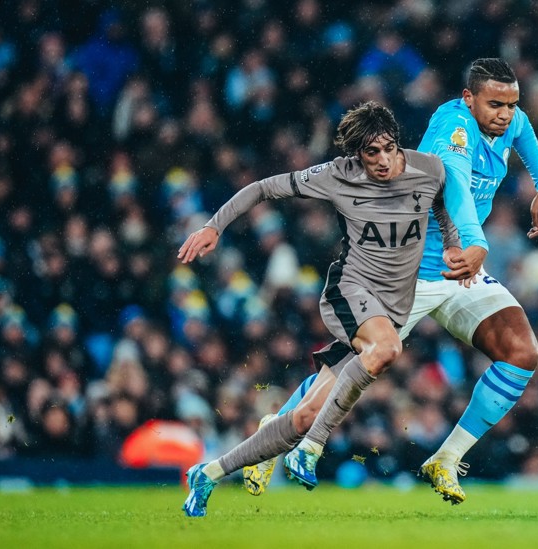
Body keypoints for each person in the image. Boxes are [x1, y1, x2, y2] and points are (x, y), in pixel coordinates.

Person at [260, 58, 538, 505]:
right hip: (408, 269)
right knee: (348, 372)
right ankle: (274, 435)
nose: (506, 114)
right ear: (468, 99)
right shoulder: (454, 127)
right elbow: (453, 179)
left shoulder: (507, 119)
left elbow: (526, 132)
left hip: (457, 273)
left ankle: (447, 459)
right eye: (496, 104)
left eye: (512, 104)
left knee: (521, 352)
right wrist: (476, 240)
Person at [180, 101, 487, 517]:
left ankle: (210, 473)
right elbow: (262, 188)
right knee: (387, 349)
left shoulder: (429, 169)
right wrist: (213, 225)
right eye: (370, 153)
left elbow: (440, 207)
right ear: (355, 154)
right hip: (350, 290)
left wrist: (452, 242)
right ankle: (311, 450)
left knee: (305, 415)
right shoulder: (337, 175)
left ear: (399, 143)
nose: (381, 161)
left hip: (392, 306)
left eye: (388, 149)